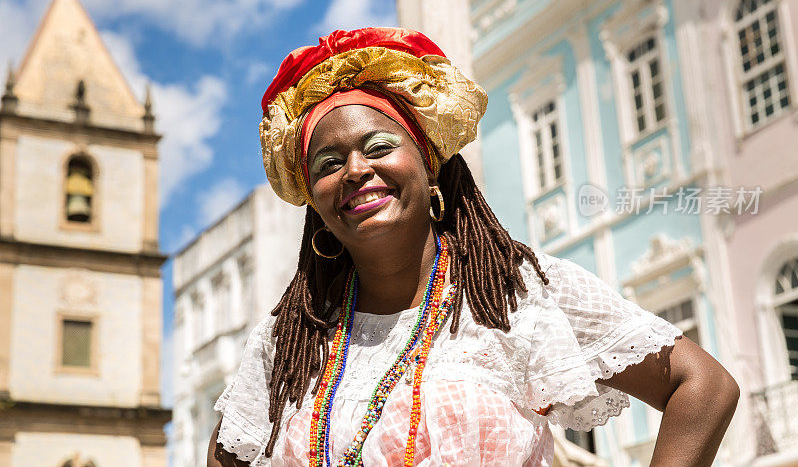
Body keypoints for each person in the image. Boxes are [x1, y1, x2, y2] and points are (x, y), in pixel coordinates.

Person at [208, 28, 739, 467]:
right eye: (328, 164)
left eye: (379, 147)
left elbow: (703, 386)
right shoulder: (292, 338)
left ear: (429, 164)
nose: (355, 171)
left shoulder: (513, 292)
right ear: (315, 206)